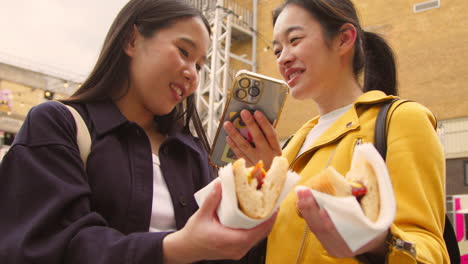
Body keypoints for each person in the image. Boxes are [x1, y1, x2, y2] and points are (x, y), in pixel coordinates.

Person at [0, 0, 276, 263]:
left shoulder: (192, 153)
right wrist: (176, 248)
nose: (193, 74)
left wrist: (256, 198)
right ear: (131, 40)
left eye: (200, 65)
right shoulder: (58, 124)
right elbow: (48, 245)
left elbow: (221, 253)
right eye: (183, 52)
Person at [223, 0, 449, 263]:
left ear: (344, 39)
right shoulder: (294, 143)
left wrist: (377, 241)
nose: (283, 58)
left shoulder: (402, 119)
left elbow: (430, 250)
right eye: (276, 50)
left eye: (294, 40)